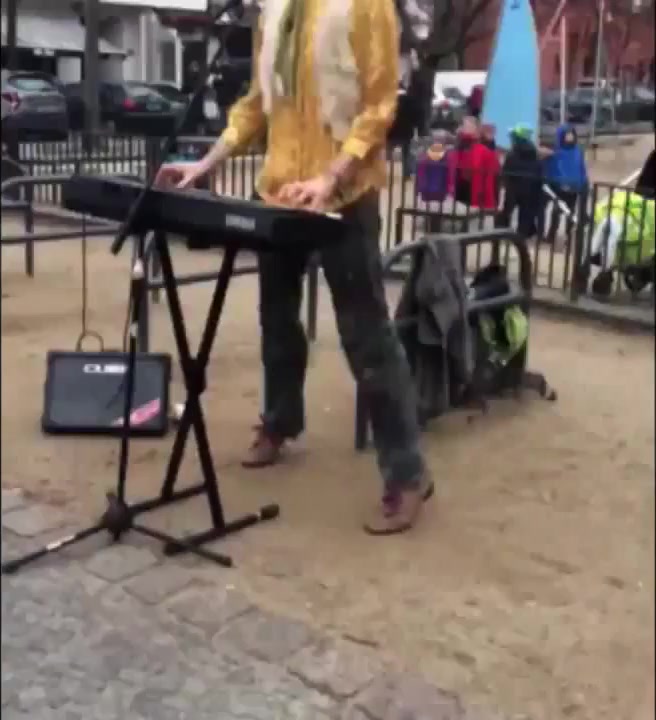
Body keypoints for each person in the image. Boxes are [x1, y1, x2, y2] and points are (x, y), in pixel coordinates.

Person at [155, 0, 432, 535]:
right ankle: (281, 420)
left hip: (345, 196)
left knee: (368, 337)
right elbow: (257, 106)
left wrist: (331, 177)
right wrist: (205, 164)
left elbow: (379, 107)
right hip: (282, 193)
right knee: (276, 320)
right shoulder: (274, 11)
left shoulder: (367, 5)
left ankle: (407, 474)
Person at [543, 123, 588, 244]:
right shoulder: (556, 152)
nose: (570, 137)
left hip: (574, 187)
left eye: (571, 134)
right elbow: (550, 168)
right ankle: (552, 234)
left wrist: (583, 182)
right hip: (559, 187)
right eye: (567, 134)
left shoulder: (577, 151)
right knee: (556, 211)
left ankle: (568, 235)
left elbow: (581, 168)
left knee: (571, 212)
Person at [497, 124, 543, 239]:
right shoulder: (534, 153)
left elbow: (506, 171)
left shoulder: (512, 154)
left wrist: (504, 182)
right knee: (526, 213)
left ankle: (501, 233)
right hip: (530, 188)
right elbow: (539, 169)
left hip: (513, 188)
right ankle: (522, 236)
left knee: (506, 211)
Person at [447, 116, 499, 210]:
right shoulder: (457, 148)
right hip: (459, 189)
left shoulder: (484, 151)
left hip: (474, 193)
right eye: (464, 125)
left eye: (468, 126)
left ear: (476, 130)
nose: (464, 128)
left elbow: (490, 179)